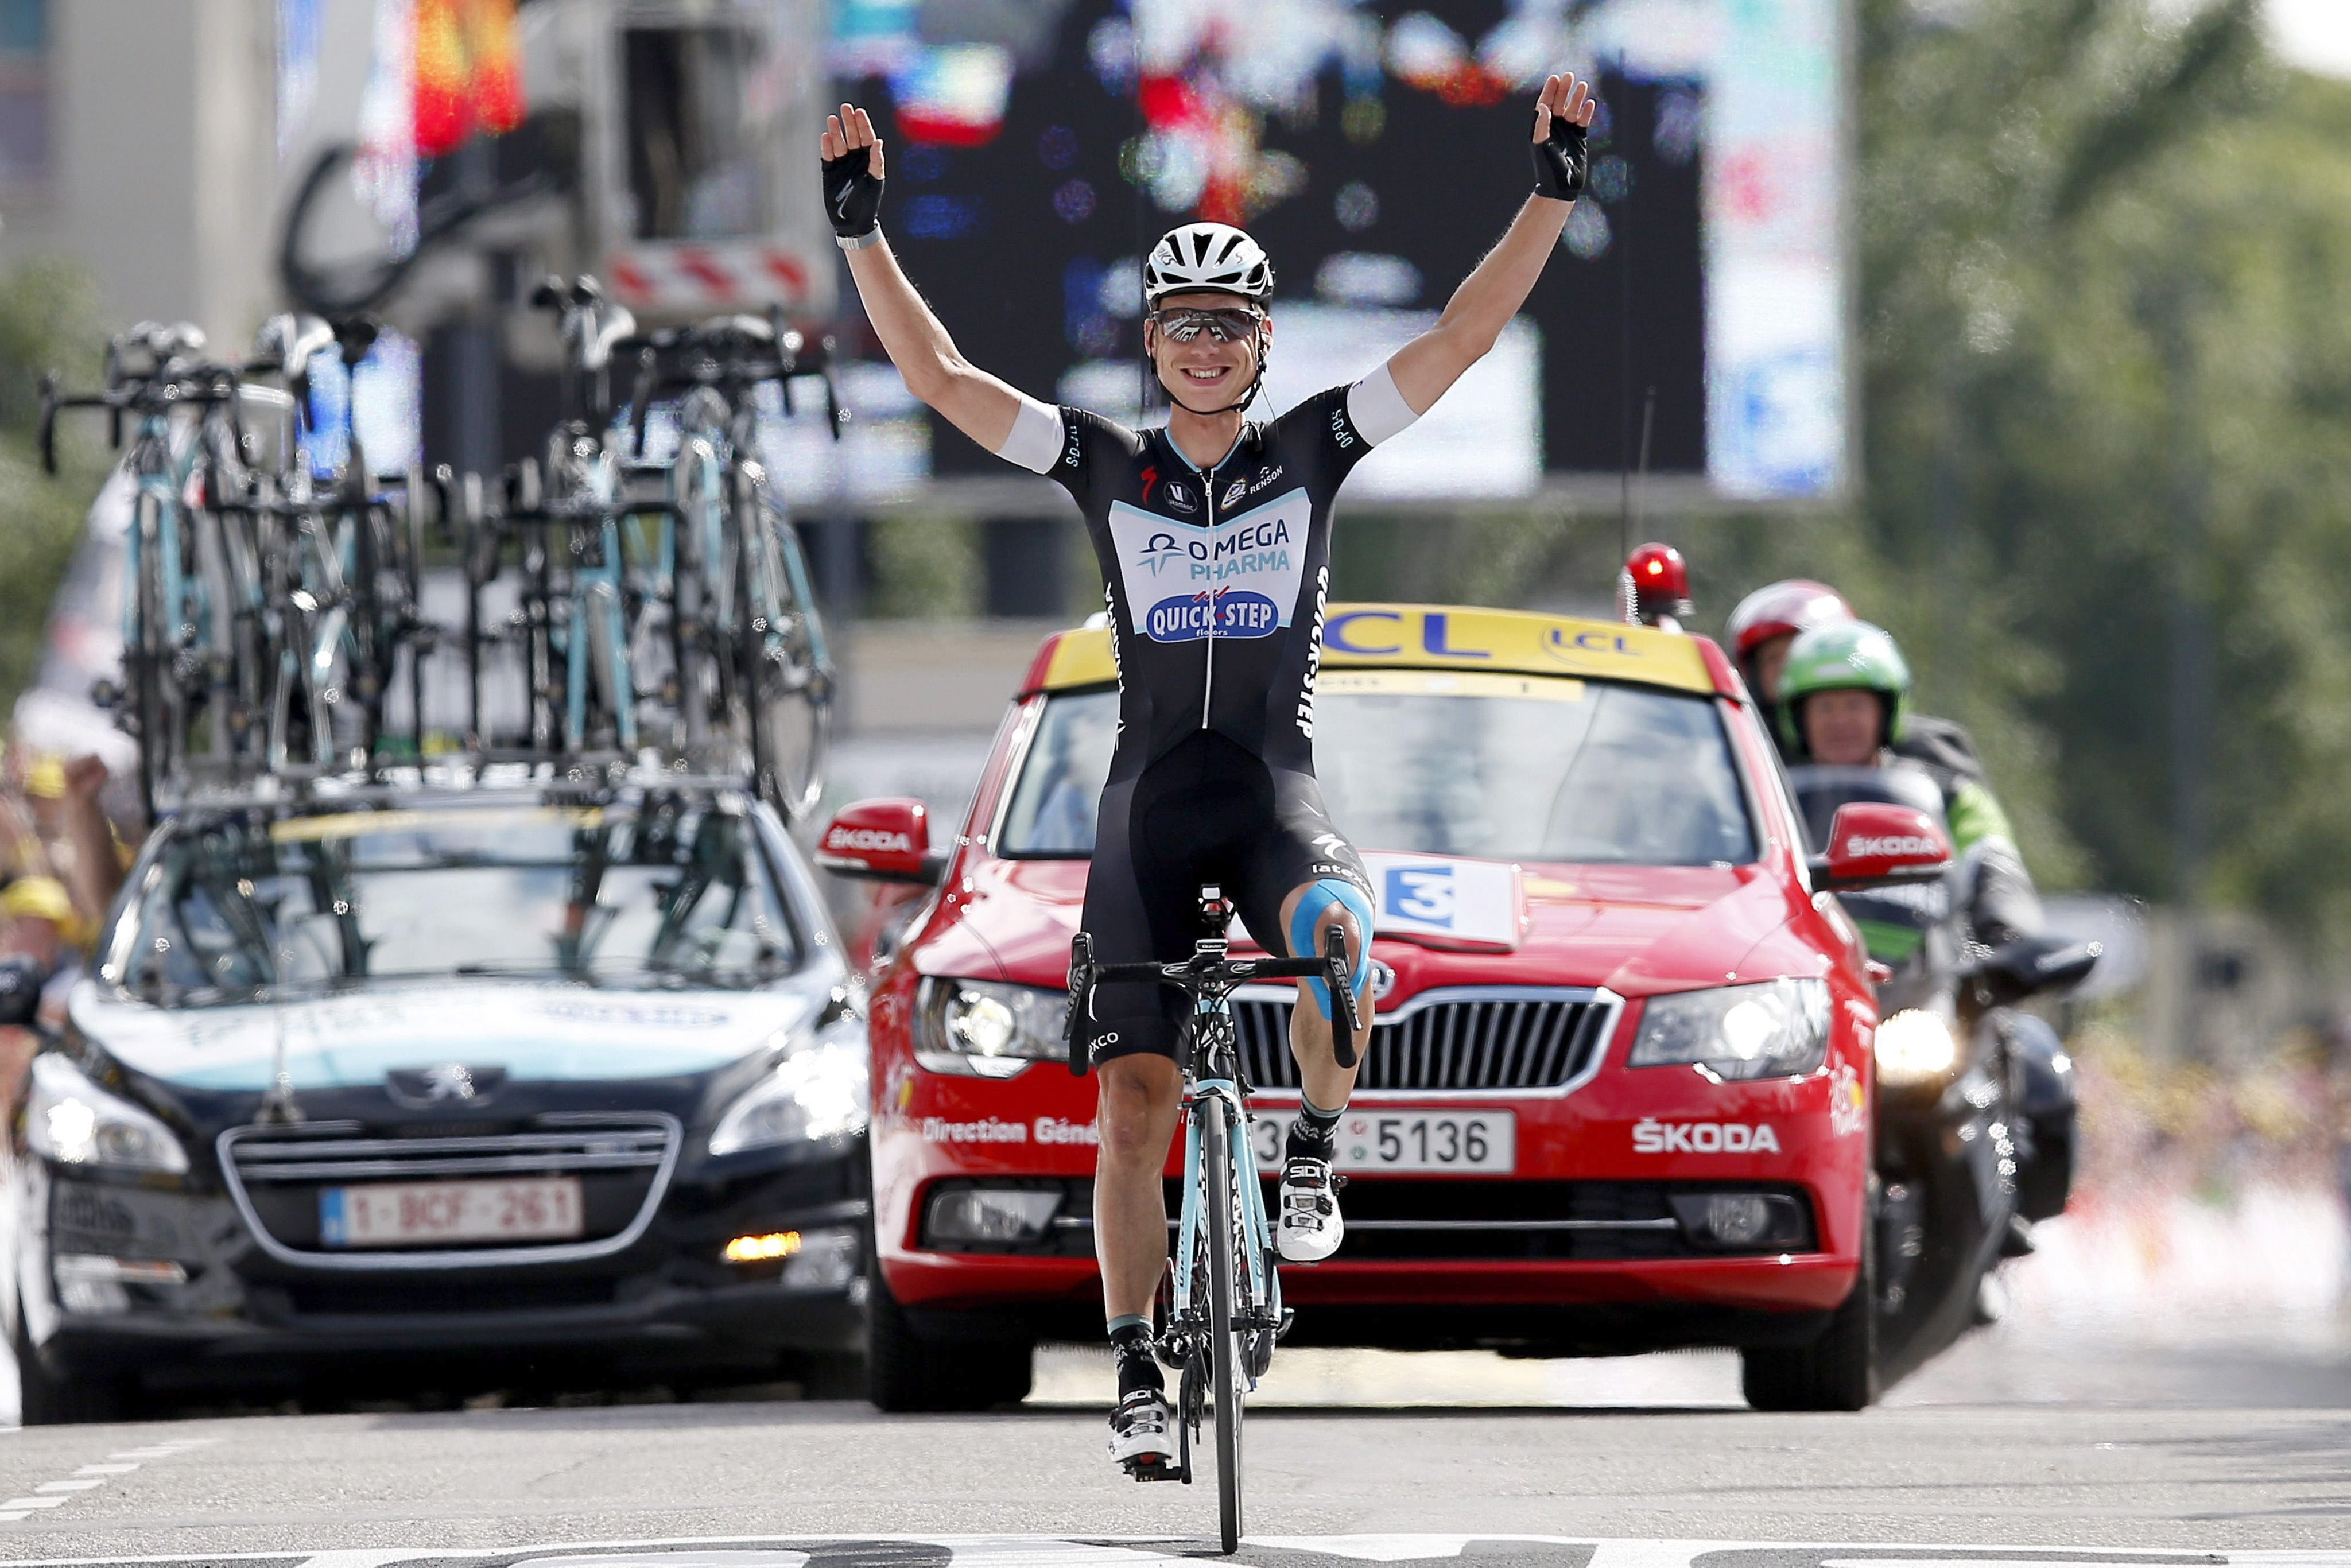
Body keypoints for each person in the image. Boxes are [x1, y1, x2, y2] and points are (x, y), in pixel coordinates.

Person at [821, 71, 1600, 1468]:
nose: (1201, 345)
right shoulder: (1101, 462)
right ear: (1151, 341)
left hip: (1270, 795)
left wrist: (1545, 195)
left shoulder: (1316, 446)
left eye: (1226, 326)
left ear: (1258, 344)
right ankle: (1131, 1370)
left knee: (1344, 943)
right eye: (1180, 323)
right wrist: (863, 235)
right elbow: (939, 381)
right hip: (1146, 811)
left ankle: (1309, 1145)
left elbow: (1467, 335)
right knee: (1134, 1100)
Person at [1777, 620, 2042, 950]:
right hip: (1803, 972)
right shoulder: (1768, 792)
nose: (1840, 721)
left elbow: (1991, 858)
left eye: (1855, 705)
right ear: (1798, 719)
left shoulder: (1948, 790)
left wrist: (2009, 930)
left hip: (1928, 979)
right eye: (1825, 707)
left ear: (1887, 712)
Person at [1725, 579, 2001, 795]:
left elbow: (1983, 845)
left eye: (1854, 704)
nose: (1793, 668)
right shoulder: (1734, 751)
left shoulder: (1931, 752)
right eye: (1775, 660)